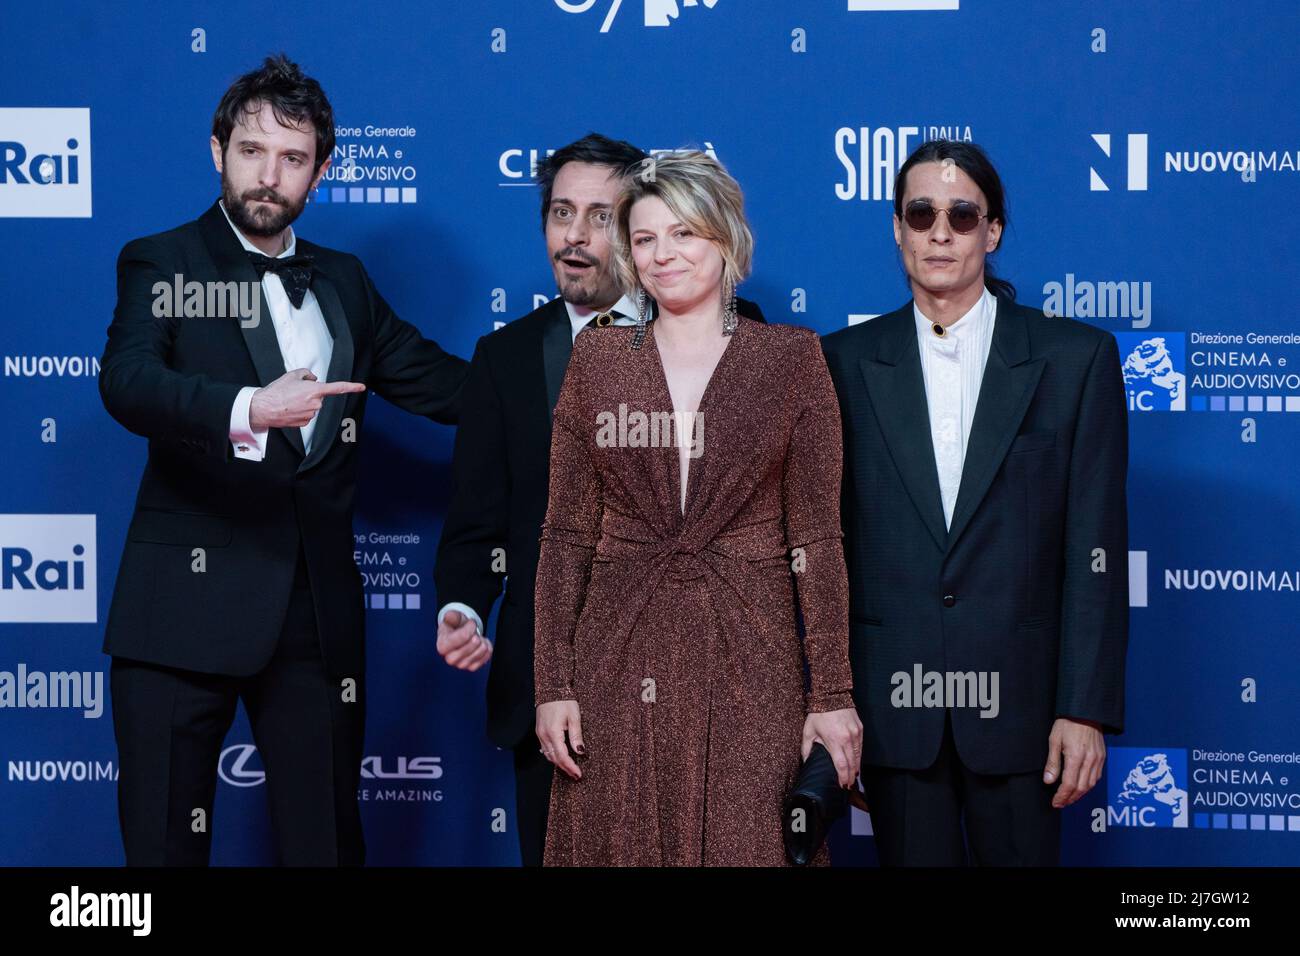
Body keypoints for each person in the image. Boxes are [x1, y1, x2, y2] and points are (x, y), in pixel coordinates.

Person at [99, 54, 467, 866]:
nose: (270, 176)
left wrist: (584, 387)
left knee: (326, 848)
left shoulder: (345, 281)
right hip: (180, 615)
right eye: (252, 151)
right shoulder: (163, 262)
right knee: (161, 852)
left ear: (321, 171)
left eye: (293, 158)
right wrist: (249, 408)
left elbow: (446, 387)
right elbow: (128, 382)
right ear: (217, 150)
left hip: (315, 621)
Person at [432, 134, 765, 866]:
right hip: (554, 699)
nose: (575, 238)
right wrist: (461, 606)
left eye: (599, 217)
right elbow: (476, 522)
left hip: (704, 683)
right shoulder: (506, 359)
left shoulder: (745, 341)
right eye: (560, 214)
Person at [532, 151, 861, 866]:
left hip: (754, 656)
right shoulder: (598, 360)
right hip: (616, 656)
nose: (662, 255)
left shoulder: (791, 360)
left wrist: (832, 693)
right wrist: (552, 684)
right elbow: (564, 536)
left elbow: (817, 537)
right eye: (645, 239)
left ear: (725, 239)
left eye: (683, 234)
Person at [821, 140, 1129, 866]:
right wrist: (832, 703)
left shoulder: (1075, 361)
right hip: (893, 713)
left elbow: (1096, 552)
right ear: (897, 227)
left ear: (992, 231)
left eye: (962, 215)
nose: (940, 231)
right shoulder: (839, 365)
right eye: (921, 212)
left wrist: (1082, 708)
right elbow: (822, 545)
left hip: (1024, 716)